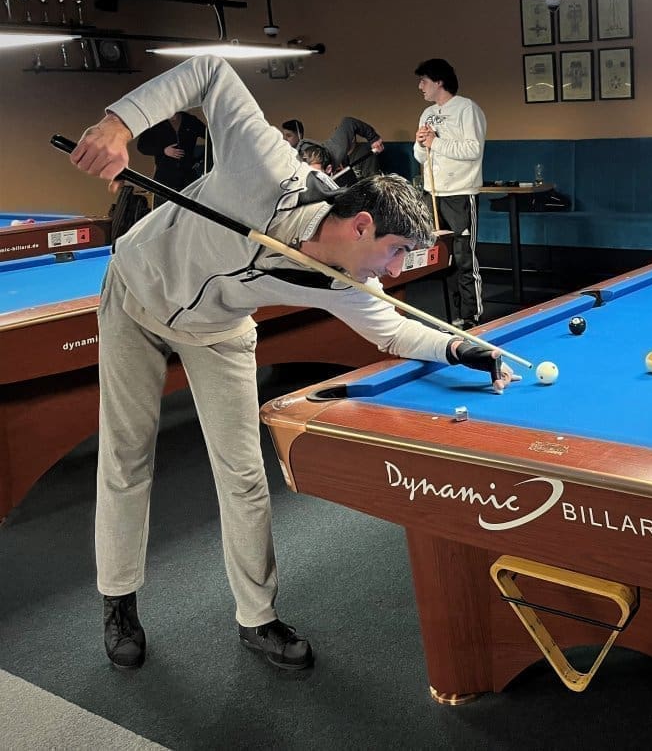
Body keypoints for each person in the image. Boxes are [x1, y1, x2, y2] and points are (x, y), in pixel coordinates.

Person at [67, 55, 518, 673]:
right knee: (126, 455)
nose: (393, 271)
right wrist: (119, 124)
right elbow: (210, 72)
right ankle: (119, 602)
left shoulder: (349, 278)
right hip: (135, 291)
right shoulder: (266, 165)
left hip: (219, 327)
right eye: (394, 253)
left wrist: (458, 347)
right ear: (361, 225)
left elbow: (390, 331)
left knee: (244, 473)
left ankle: (258, 618)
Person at [412, 58, 486, 328]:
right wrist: (421, 143)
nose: (420, 87)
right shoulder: (426, 113)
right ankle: (453, 315)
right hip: (433, 193)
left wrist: (436, 142)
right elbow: (421, 156)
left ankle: (471, 317)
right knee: (444, 258)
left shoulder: (467, 108)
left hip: (461, 193)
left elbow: (473, 149)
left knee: (464, 257)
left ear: (439, 81)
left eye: (424, 81)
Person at [136, 110, 207, 192]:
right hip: (164, 177)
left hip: (188, 176)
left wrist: (200, 161)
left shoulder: (190, 120)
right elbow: (142, 146)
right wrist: (163, 150)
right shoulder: (156, 121)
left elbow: (211, 137)